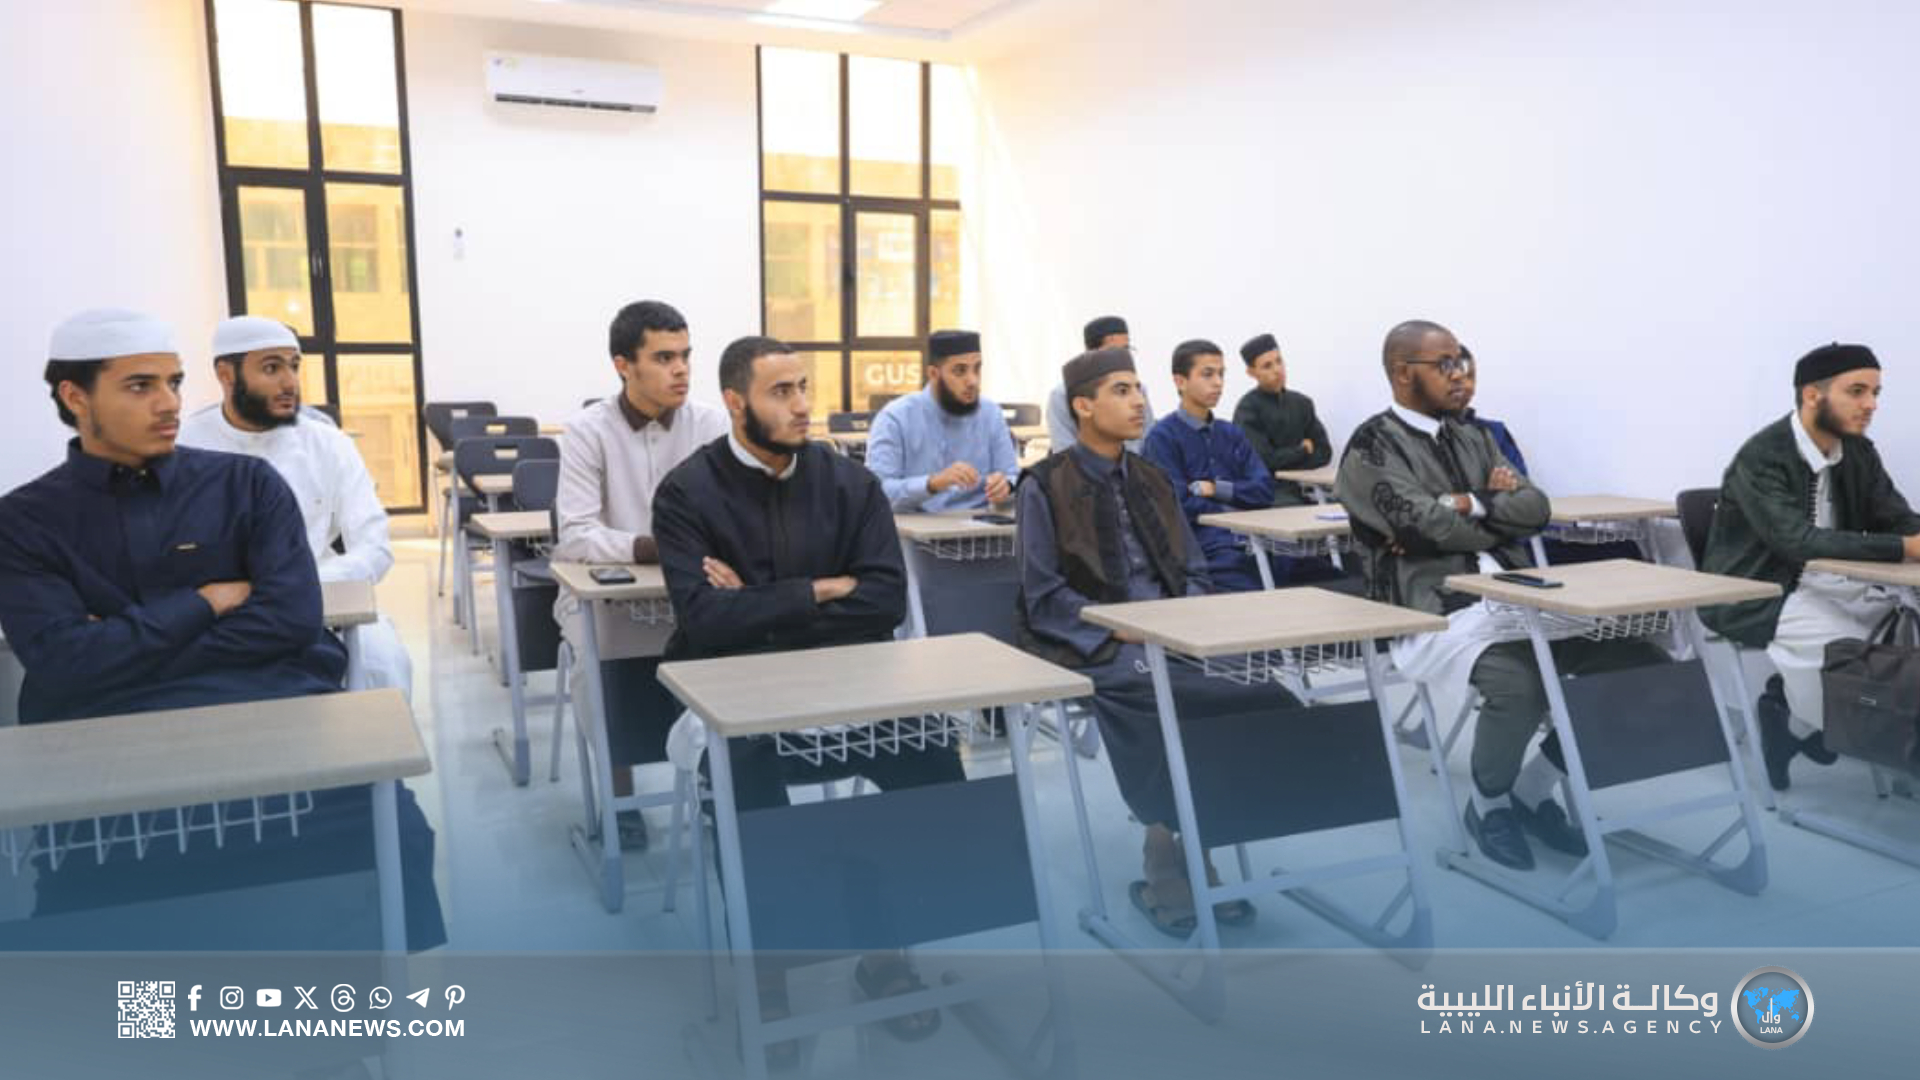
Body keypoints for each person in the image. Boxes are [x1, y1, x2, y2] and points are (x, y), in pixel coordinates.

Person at [0, 308, 443, 949]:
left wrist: (120, 640)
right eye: (139, 386)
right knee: (100, 930)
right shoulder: (25, 521)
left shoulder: (245, 486)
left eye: (173, 383)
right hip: (107, 758)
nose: (168, 403)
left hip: (277, 725)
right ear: (75, 396)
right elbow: (62, 662)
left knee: (395, 831)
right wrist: (205, 603)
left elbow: (290, 620)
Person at [652, 334, 963, 1054]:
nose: (801, 405)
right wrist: (820, 590)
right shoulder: (687, 493)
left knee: (931, 760)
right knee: (747, 793)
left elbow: (882, 600)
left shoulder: (849, 483)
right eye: (781, 392)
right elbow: (704, 619)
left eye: (802, 388)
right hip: (736, 692)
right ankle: (771, 973)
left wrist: (758, 601)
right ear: (736, 404)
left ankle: (887, 949)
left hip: (849, 683)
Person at [1335, 320, 1661, 873]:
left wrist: (1467, 504)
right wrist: (1490, 512)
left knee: (1642, 665)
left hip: (1520, 596)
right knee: (1519, 684)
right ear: (1402, 373)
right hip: (1436, 610)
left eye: (1461, 361)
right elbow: (1426, 526)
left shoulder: (1474, 436)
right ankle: (1488, 806)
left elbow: (1536, 509)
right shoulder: (1370, 448)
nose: (1458, 374)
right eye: (1444, 364)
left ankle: (1534, 791)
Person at [1017, 345, 1293, 937]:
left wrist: (1186, 620)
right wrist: (1120, 626)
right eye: (1121, 390)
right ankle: (1165, 849)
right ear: (1083, 406)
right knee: (1152, 699)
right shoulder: (1043, 485)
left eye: (1139, 388)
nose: (1139, 401)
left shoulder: (1153, 479)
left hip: (1176, 632)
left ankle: (1204, 833)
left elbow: (1193, 569)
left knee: (1258, 688)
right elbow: (1043, 594)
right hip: (1098, 640)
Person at [1701, 343, 1920, 789]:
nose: (1871, 405)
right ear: (1812, 395)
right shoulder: (1762, 456)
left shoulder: (1858, 451)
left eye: (1876, 392)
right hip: (1761, 593)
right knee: (1860, 658)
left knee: (1904, 637)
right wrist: (1904, 547)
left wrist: (1911, 538)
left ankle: (1789, 719)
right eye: (1857, 391)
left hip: (1836, 584)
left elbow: (1898, 518)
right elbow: (1795, 541)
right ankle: (1821, 728)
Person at [552, 300, 729, 849]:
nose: (681, 370)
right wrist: (654, 548)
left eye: (686, 356)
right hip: (604, 597)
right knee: (597, 670)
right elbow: (576, 534)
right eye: (664, 358)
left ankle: (717, 783)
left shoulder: (710, 423)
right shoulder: (587, 431)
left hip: (694, 589)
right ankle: (619, 794)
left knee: (737, 656)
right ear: (623, 365)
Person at [177, 315, 412, 697]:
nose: (290, 383)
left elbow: (375, 547)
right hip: (213, 612)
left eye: (294, 366)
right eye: (272, 368)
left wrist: (294, 586)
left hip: (320, 597)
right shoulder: (183, 448)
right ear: (226, 375)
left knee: (383, 663)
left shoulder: (329, 444)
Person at [1447, 344, 1643, 566]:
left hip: (1522, 533)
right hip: (1480, 543)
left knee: (1625, 548)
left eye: (1470, 377)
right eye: (1453, 378)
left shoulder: (1493, 431)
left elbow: (1522, 493)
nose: (1464, 385)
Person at [1142, 339, 1274, 591]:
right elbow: (1178, 505)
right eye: (1208, 374)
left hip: (1260, 538)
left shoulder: (1231, 433)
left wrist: (1215, 489)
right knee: (1258, 591)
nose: (1218, 382)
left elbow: (1265, 490)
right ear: (1180, 381)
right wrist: (1238, 502)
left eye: (1221, 374)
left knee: (1329, 575)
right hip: (1211, 550)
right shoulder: (1162, 438)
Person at [864, 329, 1018, 512]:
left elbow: (1012, 475)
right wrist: (932, 483)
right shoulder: (895, 419)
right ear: (933, 374)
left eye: (977, 369)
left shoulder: (991, 413)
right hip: (916, 526)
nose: (973, 381)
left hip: (979, 524)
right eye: (960, 371)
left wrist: (1006, 486)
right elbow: (878, 493)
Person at [1231, 332, 1331, 505]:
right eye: (1267, 366)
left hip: (1304, 486)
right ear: (1251, 373)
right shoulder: (1247, 409)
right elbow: (1263, 461)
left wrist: (1283, 460)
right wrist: (1302, 450)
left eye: (1279, 361)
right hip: (1267, 491)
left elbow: (1324, 453)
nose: (1277, 370)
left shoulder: (1302, 403)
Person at [1045, 315, 1152, 452]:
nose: (1121, 357)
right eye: (1112, 351)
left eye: (1125, 349)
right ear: (1091, 353)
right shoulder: (1062, 395)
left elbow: (1148, 440)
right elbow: (1063, 447)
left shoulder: (1139, 390)